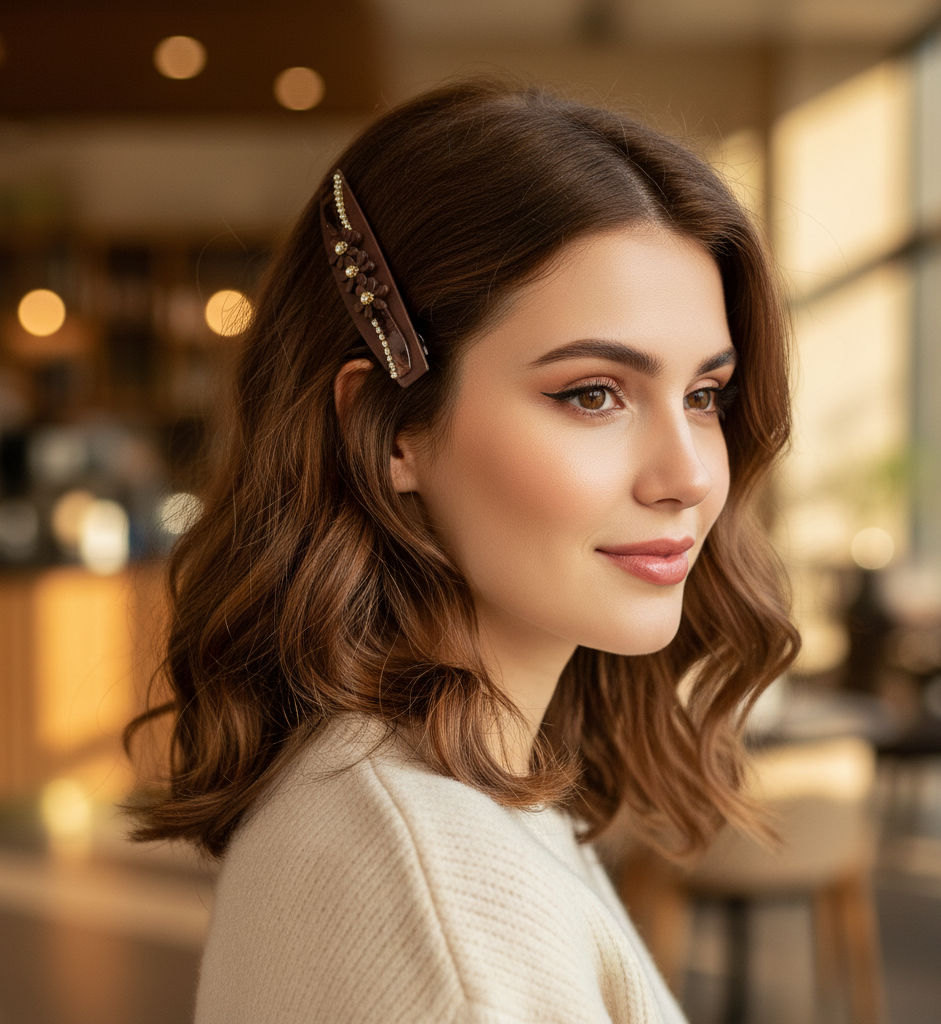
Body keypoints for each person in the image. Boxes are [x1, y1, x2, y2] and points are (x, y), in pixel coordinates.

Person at [124, 79, 799, 1024]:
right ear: (389, 425)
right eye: (594, 393)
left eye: (704, 395)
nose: (687, 475)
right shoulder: (446, 910)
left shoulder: (453, 796)